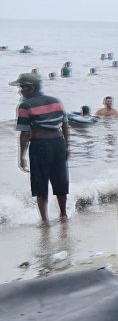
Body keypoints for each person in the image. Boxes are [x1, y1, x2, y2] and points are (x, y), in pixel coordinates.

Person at [11, 72, 70, 223]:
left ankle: (45, 220)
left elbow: (25, 133)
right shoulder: (56, 101)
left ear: (31, 88)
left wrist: (21, 156)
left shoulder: (25, 106)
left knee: (40, 184)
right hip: (58, 144)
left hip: (39, 146)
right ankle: (63, 215)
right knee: (60, 181)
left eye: (22, 87)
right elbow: (65, 125)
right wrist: (67, 146)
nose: (20, 91)